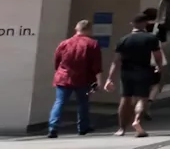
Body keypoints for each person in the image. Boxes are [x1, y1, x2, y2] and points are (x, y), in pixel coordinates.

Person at [105, 9, 163, 137]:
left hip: (126, 73)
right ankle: (137, 120)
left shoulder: (124, 39)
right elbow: (158, 56)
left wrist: (109, 78)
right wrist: (159, 68)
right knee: (142, 99)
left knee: (125, 99)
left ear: (133, 24)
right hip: (144, 71)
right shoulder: (151, 38)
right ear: (145, 23)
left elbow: (116, 61)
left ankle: (121, 129)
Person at [47, 20, 103, 138]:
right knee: (83, 103)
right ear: (88, 29)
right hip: (83, 78)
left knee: (59, 102)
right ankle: (83, 127)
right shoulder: (92, 44)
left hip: (63, 77)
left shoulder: (64, 43)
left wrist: (58, 72)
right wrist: (98, 81)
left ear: (76, 29)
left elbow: (57, 60)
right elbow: (96, 65)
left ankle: (53, 127)